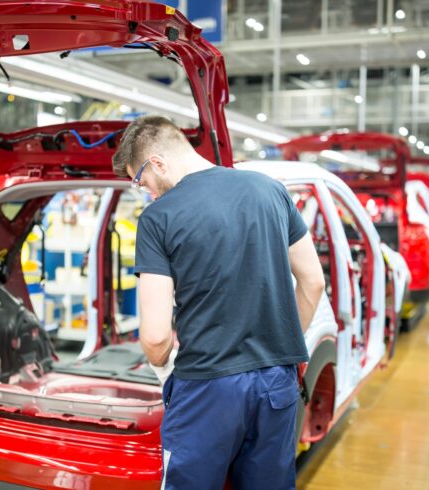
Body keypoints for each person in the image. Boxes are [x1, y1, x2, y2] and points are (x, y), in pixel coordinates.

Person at [112, 116, 326, 490]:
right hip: (278, 383)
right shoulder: (270, 190)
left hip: (207, 387)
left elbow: (157, 336)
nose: (147, 192)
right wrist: (281, 346)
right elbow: (313, 282)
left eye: (141, 181)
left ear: (158, 162)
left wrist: (161, 364)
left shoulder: (158, 218)